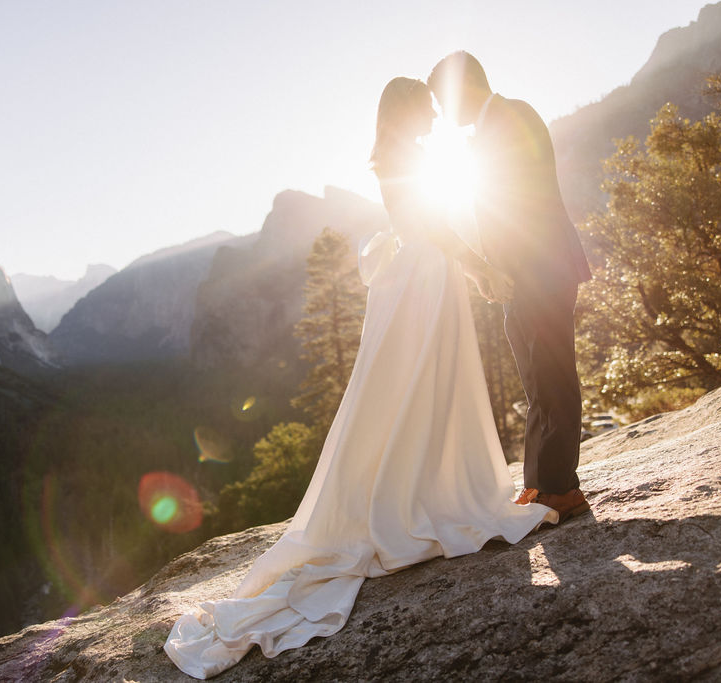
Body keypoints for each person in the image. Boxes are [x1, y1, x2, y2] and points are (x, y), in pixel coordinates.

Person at [163, 77, 554, 680]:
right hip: (427, 280)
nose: (433, 113)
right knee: (421, 387)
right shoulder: (406, 158)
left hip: (425, 278)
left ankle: (426, 486)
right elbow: (431, 227)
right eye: (425, 106)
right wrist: (477, 266)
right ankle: (420, 495)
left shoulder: (403, 155)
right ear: (405, 111)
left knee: (425, 389)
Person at [427, 52, 592, 520]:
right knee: (537, 378)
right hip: (520, 276)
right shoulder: (490, 127)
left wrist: (510, 269)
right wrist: (495, 271)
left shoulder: (512, 116)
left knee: (554, 375)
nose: (441, 112)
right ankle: (541, 484)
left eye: (442, 100)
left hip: (541, 269)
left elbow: (526, 204)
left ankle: (560, 488)